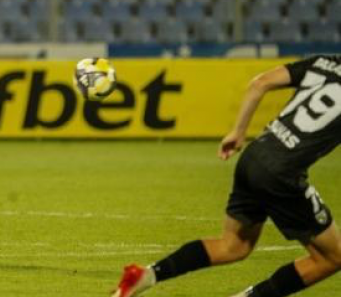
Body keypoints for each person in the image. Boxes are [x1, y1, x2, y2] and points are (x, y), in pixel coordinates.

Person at [112, 55, 341, 297]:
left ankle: (147, 275)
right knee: (333, 256)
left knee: (233, 246)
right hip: (281, 174)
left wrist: (238, 131)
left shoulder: (325, 62)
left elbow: (260, 83)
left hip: (254, 155)